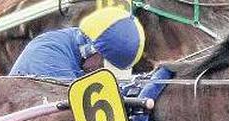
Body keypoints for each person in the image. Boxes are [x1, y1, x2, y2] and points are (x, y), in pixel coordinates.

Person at [8, 7, 145, 79]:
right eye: (103, 65)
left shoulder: (81, 43)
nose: (101, 72)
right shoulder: (47, 56)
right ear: (91, 49)